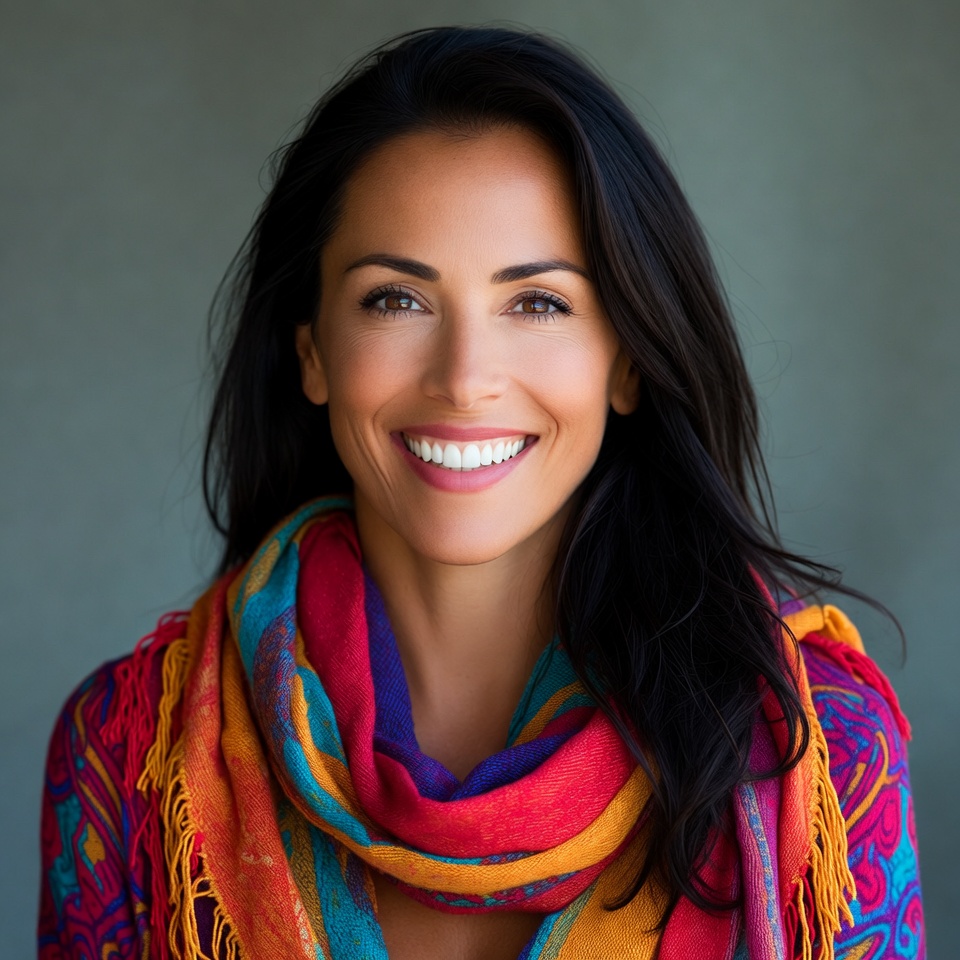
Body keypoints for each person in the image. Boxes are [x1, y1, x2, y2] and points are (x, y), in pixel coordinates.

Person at [38, 26, 924, 960]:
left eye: (537, 303)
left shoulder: (820, 749)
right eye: (396, 299)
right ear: (312, 353)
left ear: (626, 363)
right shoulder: (129, 752)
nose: (465, 378)